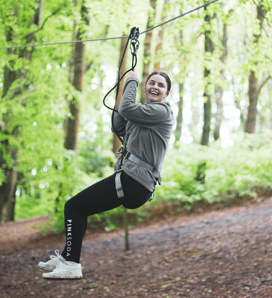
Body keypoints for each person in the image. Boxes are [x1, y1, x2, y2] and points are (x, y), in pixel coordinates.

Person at [38, 70, 174, 279]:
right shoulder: (143, 113)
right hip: (132, 181)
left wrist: (132, 80)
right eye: (151, 83)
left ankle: (72, 262)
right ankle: (67, 257)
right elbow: (117, 125)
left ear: (166, 93)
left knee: (73, 206)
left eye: (161, 85)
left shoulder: (162, 112)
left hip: (135, 182)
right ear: (146, 88)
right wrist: (124, 94)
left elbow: (127, 108)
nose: (155, 87)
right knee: (78, 208)